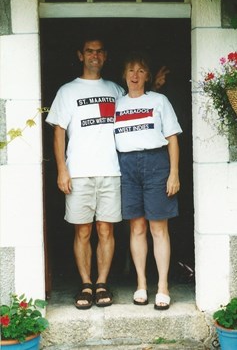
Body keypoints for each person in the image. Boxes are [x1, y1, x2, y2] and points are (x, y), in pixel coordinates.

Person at [46, 37, 124, 309]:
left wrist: (158, 86)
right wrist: (61, 170)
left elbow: (138, 109)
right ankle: (85, 284)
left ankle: (101, 283)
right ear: (80, 55)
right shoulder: (67, 91)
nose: (95, 55)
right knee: (82, 232)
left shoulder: (115, 89)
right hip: (78, 172)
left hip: (110, 171)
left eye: (100, 51)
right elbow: (59, 132)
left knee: (106, 230)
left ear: (105, 56)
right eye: (90, 51)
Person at [114, 51, 182, 310]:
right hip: (127, 165)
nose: (135, 75)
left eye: (141, 70)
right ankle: (141, 284)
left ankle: (162, 286)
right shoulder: (116, 104)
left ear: (147, 76)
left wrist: (173, 173)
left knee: (158, 228)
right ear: (123, 75)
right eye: (130, 70)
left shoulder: (159, 100)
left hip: (156, 164)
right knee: (137, 227)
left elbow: (172, 137)